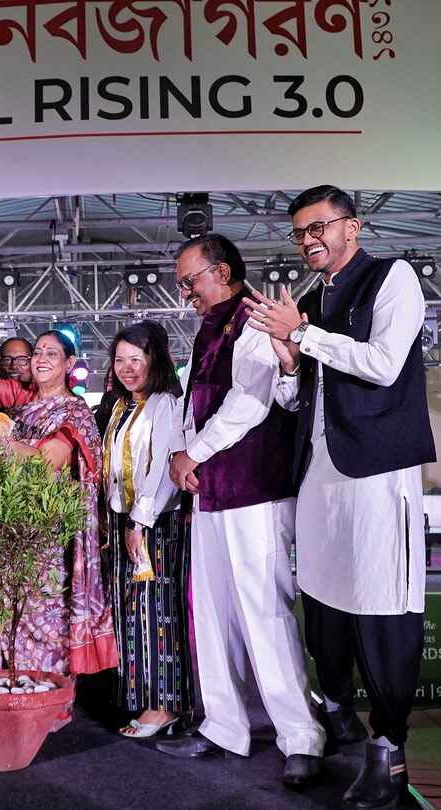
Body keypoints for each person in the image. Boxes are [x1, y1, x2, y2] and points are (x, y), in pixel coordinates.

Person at [243, 185, 435, 808]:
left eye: (318, 227)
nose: (308, 240)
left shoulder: (393, 277)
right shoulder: (311, 300)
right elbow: (298, 399)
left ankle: (390, 749)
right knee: (324, 607)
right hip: (318, 472)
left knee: (381, 603)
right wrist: (289, 362)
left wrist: (304, 334)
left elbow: (383, 364)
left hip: (376, 468)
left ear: (352, 226)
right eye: (300, 232)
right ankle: (339, 718)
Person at [155, 234, 325, 790]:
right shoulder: (209, 328)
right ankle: (224, 725)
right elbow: (194, 406)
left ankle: (301, 736)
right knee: (213, 615)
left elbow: (249, 403)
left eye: (190, 281)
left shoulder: (255, 317)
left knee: (265, 613)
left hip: (256, 490)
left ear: (222, 272)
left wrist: (192, 453)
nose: (185, 293)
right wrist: (184, 456)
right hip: (211, 494)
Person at [0, 332, 117, 680]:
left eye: (52, 353)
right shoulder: (24, 397)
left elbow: (46, 462)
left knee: (43, 616)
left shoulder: (74, 413)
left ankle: (47, 695)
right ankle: (6, 689)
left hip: (46, 536)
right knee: (5, 610)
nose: (41, 359)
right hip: (5, 525)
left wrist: (1, 441)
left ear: (69, 364)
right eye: (38, 352)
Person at [101, 322, 193, 739]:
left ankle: (165, 705)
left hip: (154, 524)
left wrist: (140, 521)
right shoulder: (121, 406)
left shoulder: (166, 403)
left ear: (154, 360)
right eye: (120, 360)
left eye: (135, 359)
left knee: (157, 613)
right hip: (125, 521)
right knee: (132, 613)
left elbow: (162, 469)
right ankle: (144, 700)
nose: (127, 368)